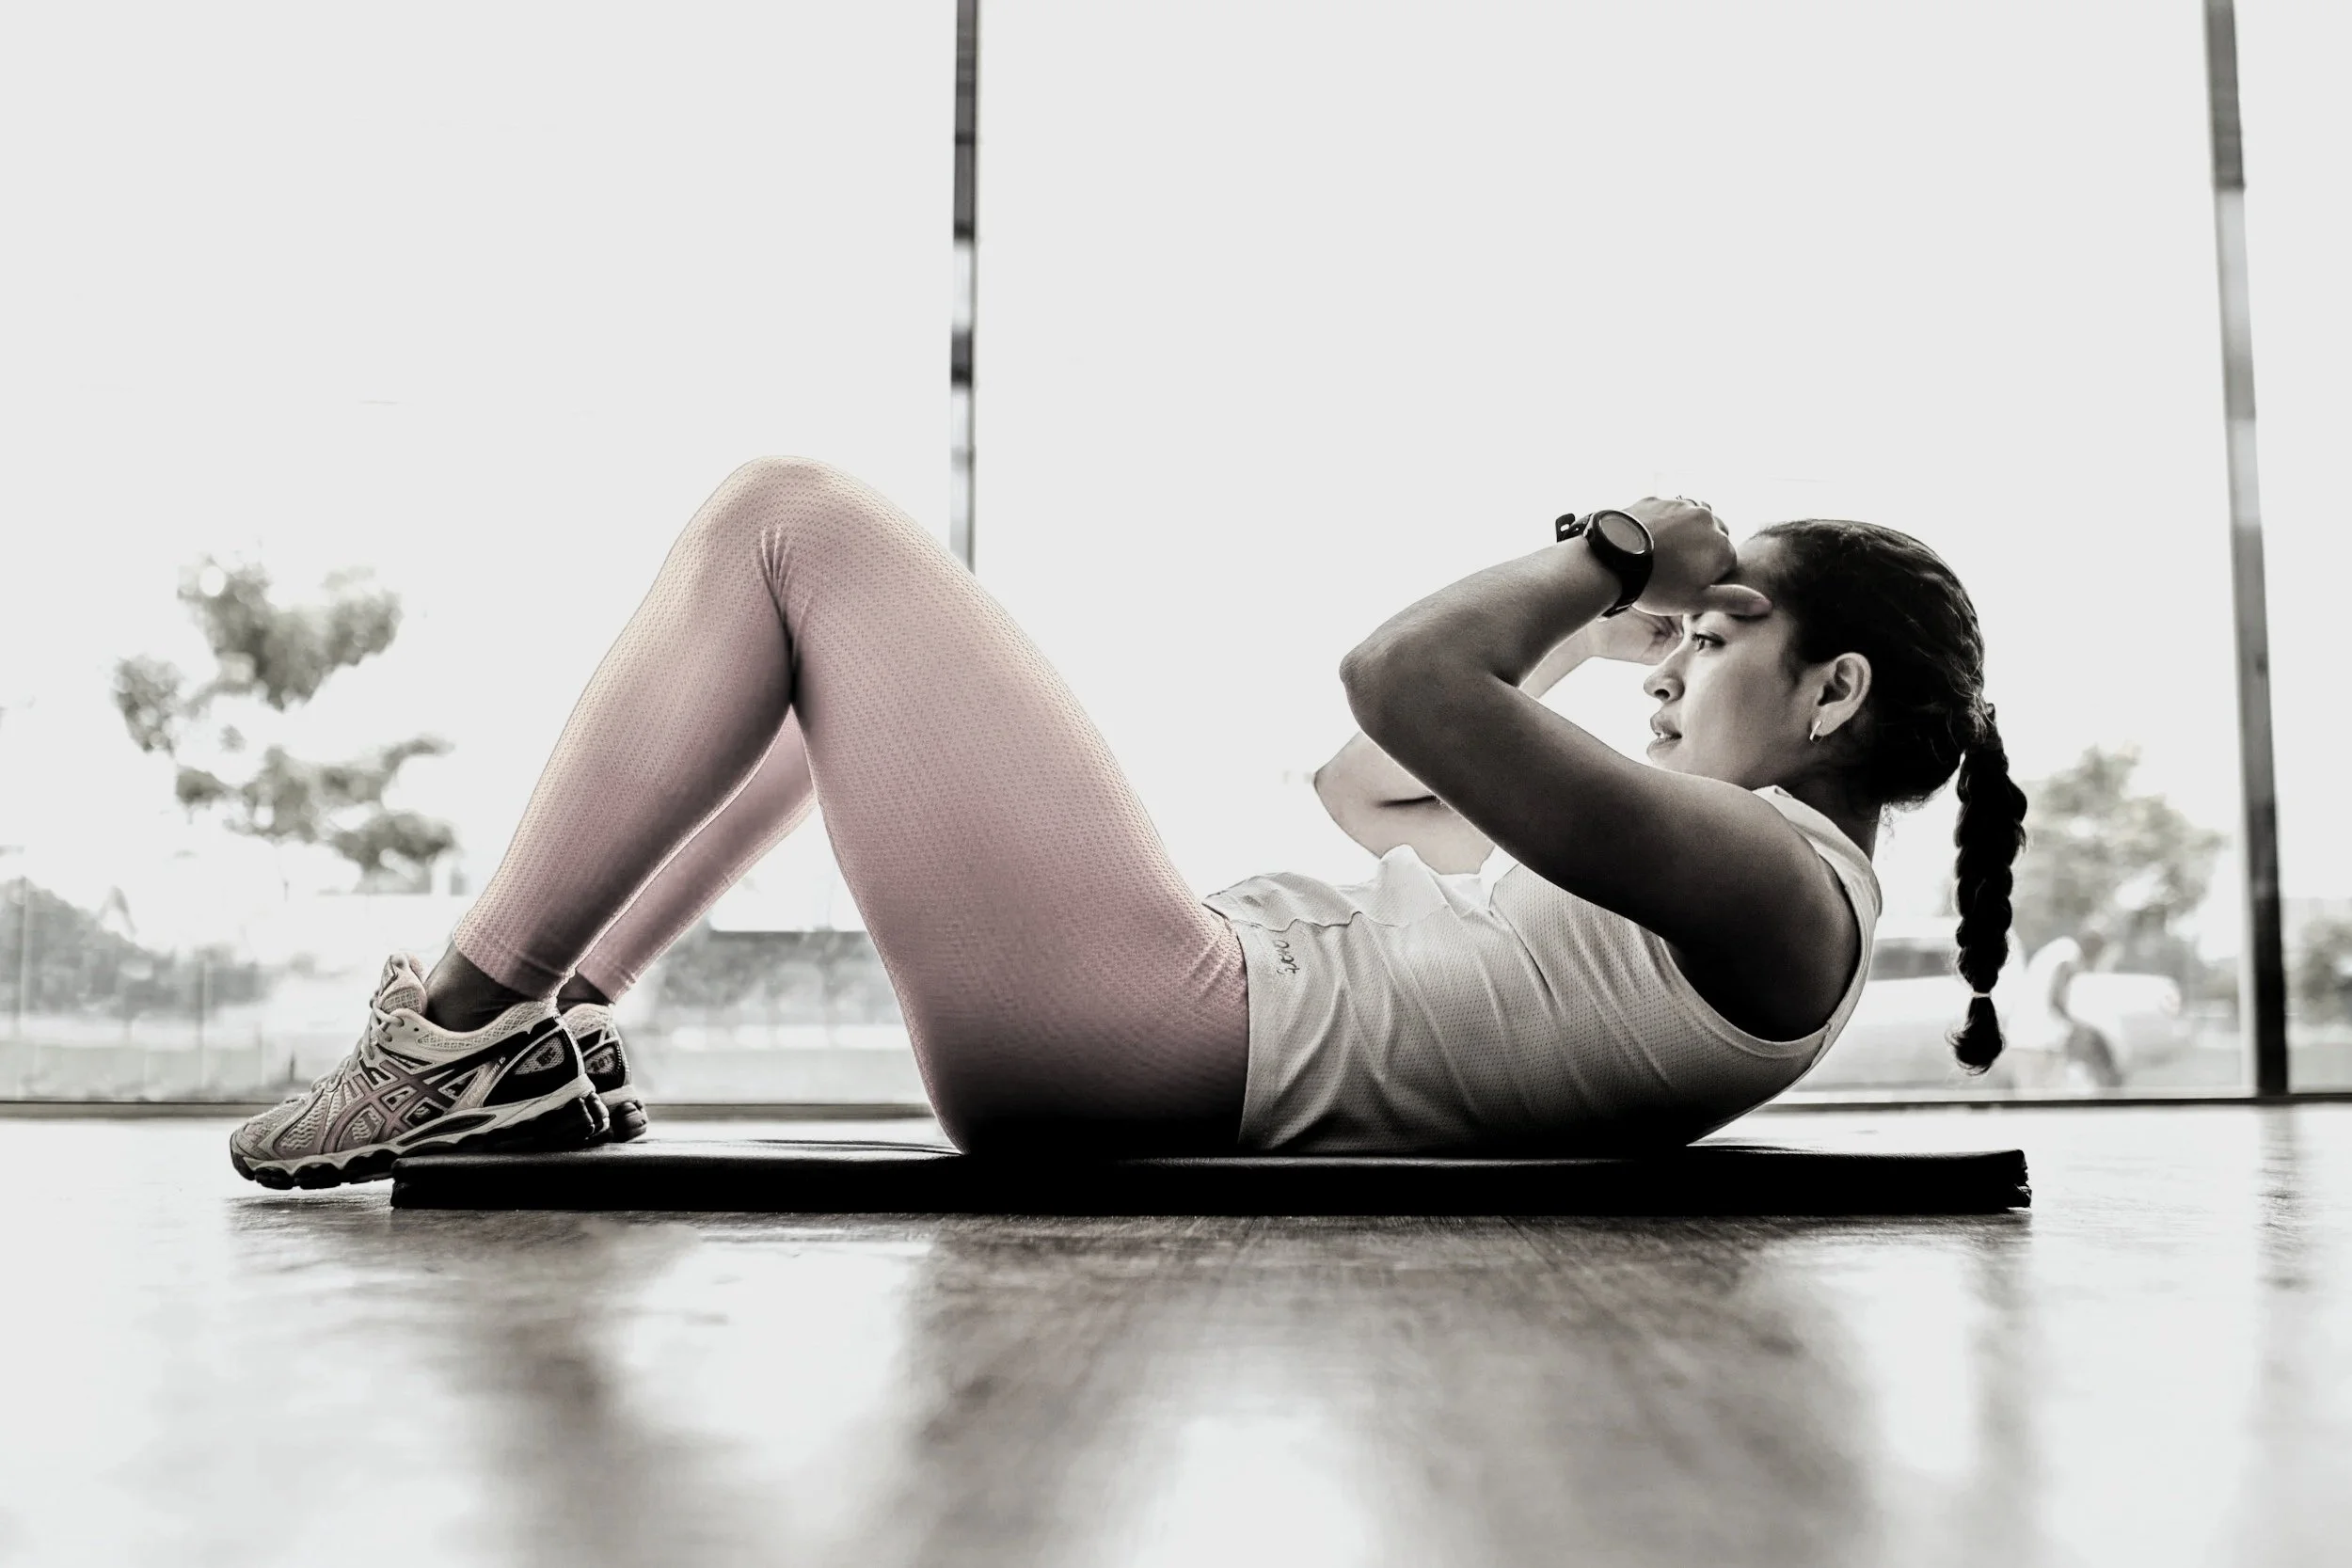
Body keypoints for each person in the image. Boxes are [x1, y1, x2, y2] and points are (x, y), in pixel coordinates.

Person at [229, 460, 2026, 1188]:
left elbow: (1398, 677)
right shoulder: (1716, 889)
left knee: (791, 525)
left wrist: (1610, 549)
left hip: (1164, 1025)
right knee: (809, 674)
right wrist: (1600, 622)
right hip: (1177, 1007)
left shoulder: (1787, 892)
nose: (1667, 668)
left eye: (1716, 643)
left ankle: (455, 1032)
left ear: (1835, 700)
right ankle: (538, 1036)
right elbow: (1377, 781)